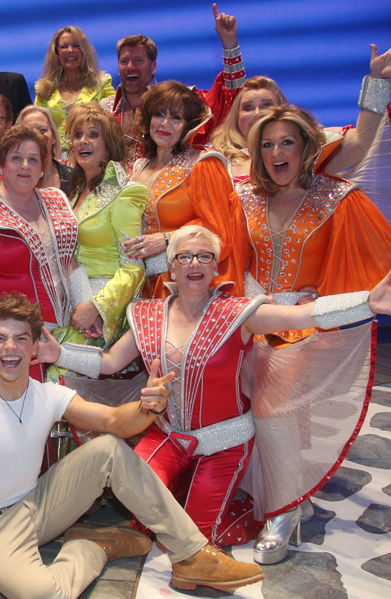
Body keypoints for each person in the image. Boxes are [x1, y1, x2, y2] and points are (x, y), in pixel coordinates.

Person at [0, 292, 266, 599]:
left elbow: (113, 422)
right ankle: (92, 547)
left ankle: (192, 554)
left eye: (21, 338)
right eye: (0, 338)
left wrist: (148, 406)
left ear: (36, 347)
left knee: (106, 448)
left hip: (39, 504)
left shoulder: (48, 394)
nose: (10, 347)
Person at [43, 225, 391, 555]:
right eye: (184, 257)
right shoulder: (148, 314)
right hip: (167, 435)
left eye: (204, 256)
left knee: (196, 535)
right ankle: (177, 492)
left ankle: (253, 505)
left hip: (224, 442)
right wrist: (59, 352)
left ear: (215, 266)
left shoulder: (239, 313)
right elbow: (110, 362)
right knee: (142, 514)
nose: (194, 263)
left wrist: (366, 303)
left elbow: (302, 315)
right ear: (171, 269)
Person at [237, 106, 391, 561]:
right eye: (268, 144)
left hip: (308, 322)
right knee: (234, 397)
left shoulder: (334, 197)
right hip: (249, 317)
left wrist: (376, 86)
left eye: (287, 143)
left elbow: (366, 257)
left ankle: (283, 509)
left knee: (273, 403)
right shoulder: (241, 197)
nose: (277, 152)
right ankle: (291, 487)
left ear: (306, 149)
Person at [0, 125, 87, 382]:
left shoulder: (55, 200)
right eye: (16, 158)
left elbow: (68, 261)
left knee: (59, 413)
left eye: (33, 159)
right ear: (1, 163)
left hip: (60, 332)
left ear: (43, 166)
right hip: (4, 337)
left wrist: (87, 306)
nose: (25, 166)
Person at [211, 40, 391, 192]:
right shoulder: (214, 161)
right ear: (235, 118)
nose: (257, 114)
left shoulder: (308, 153)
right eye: (248, 107)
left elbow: (362, 140)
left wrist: (378, 81)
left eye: (266, 105)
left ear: (282, 112)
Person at [120, 81, 246, 298]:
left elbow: (219, 232)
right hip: (137, 287)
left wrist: (168, 239)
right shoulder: (136, 167)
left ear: (189, 125)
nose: (165, 123)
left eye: (176, 117)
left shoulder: (203, 164)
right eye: (159, 114)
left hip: (182, 287)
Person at [107, 4, 244, 155]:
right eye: (124, 61)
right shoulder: (105, 109)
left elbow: (229, 100)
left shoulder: (177, 102)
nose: (130, 67)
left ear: (153, 67)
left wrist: (229, 44)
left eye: (138, 60)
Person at [63, 103, 146, 347]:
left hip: (104, 307)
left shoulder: (126, 193)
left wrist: (97, 307)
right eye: (77, 135)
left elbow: (133, 267)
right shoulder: (75, 192)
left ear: (109, 146)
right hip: (74, 302)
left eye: (93, 135)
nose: (83, 141)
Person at [33, 26, 115, 158]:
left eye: (76, 45)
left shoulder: (102, 83)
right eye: (64, 46)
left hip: (91, 156)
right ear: (56, 52)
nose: (70, 50)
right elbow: (35, 126)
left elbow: (114, 123)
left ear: (84, 50)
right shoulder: (43, 88)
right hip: (53, 159)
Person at [15, 105, 72, 194]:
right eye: (29, 130)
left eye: (43, 129)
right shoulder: (9, 180)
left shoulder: (74, 178)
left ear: (54, 137)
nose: (37, 135)